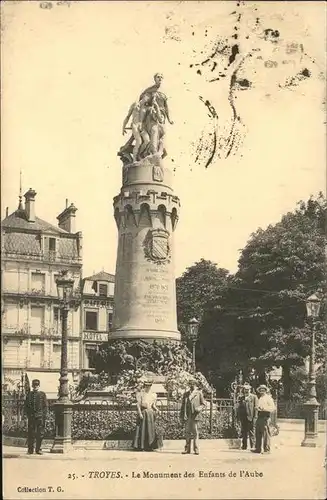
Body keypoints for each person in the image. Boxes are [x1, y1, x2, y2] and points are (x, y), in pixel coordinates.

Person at [133, 380, 161, 451]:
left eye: (149, 386)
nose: (148, 387)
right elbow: (138, 405)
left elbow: (153, 405)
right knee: (142, 429)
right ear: (144, 386)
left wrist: (157, 410)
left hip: (150, 413)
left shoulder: (153, 395)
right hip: (144, 413)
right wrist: (140, 413)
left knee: (150, 430)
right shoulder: (140, 394)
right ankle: (141, 446)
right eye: (146, 386)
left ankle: (150, 446)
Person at [122, 94, 151, 161]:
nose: (148, 99)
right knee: (139, 141)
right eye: (147, 97)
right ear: (144, 96)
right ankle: (134, 159)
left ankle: (139, 155)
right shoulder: (135, 104)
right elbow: (127, 117)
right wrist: (123, 127)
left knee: (147, 141)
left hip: (141, 127)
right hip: (135, 125)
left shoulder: (145, 107)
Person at [180, 378, 205, 455]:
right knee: (187, 432)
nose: (191, 386)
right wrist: (182, 415)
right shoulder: (186, 394)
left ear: (195, 385)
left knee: (195, 432)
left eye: (193, 384)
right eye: (190, 384)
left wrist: (199, 408)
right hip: (188, 415)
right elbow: (183, 406)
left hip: (195, 415)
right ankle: (187, 449)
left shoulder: (199, 393)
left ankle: (196, 449)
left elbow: (203, 404)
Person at [24, 379, 47, 455]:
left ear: (39, 386)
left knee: (40, 434)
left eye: (37, 385)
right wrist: (27, 415)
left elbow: (45, 406)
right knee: (31, 433)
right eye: (34, 385)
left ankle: (38, 449)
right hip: (31, 417)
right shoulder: (29, 394)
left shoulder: (42, 394)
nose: (35, 387)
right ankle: (30, 450)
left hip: (40, 417)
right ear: (32, 386)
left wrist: (43, 416)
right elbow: (26, 406)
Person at [252, 384, 276, 454]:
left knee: (265, 433)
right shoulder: (260, 398)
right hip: (259, 416)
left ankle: (267, 450)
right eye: (260, 390)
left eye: (263, 390)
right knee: (258, 433)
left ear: (266, 390)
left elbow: (273, 408)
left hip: (265, 416)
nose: (262, 391)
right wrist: (257, 408)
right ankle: (258, 448)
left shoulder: (268, 398)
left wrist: (264, 409)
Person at [237, 382, 258, 450]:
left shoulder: (254, 397)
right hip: (243, 418)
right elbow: (239, 408)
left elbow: (256, 408)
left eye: (248, 389)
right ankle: (244, 446)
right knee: (244, 432)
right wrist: (239, 417)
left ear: (250, 390)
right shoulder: (241, 397)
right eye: (245, 389)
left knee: (252, 432)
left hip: (251, 417)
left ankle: (253, 446)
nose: (246, 391)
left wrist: (255, 417)